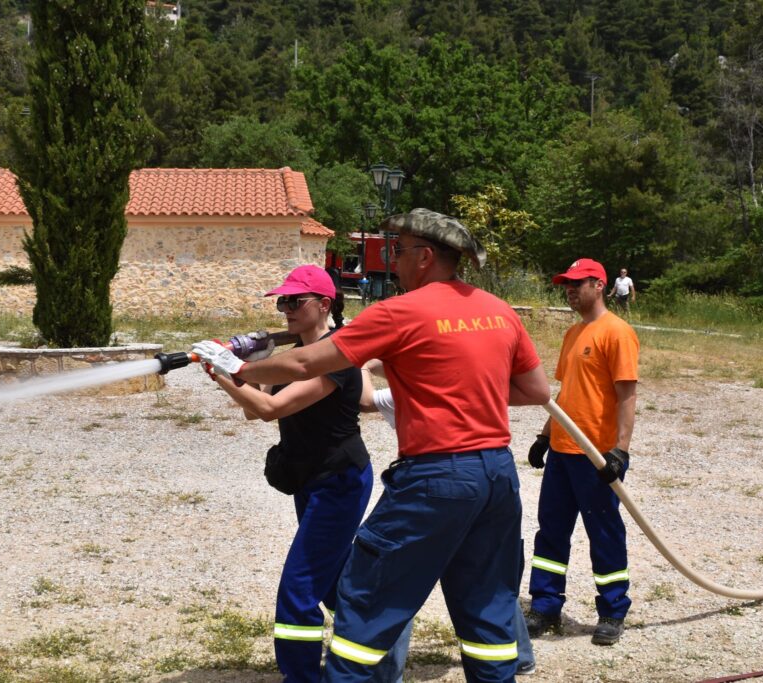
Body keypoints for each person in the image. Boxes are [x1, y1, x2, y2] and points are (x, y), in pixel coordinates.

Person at [194, 208, 551, 682]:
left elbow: (306, 366)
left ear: (425, 257)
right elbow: (536, 391)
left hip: (435, 478)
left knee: (365, 600)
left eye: (398, 251)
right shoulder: (498, 310)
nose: (393, 261)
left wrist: (236, 368)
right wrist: (453, 392)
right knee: (487, 608)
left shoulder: (401, 311)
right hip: (496, 476)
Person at [201, 264, 373, 682]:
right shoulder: (293, 356)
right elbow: (251, 408)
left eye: (296, 301)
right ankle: (381, 637)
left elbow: (270, 411)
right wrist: (253, 364)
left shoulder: (336, 358)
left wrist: (223, 369)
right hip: (308, 478)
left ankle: (300, 675)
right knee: (332, 583)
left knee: (299, 588)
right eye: (283, 301)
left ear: (324, 304)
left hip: (340, 480)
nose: (286, 309)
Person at [359, 361, 537, 677]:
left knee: (397, 580)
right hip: (489, 482)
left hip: (430, 491)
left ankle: (385, 674)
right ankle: (519, 655)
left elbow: (365, 400)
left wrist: (364, 364)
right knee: (489, 579)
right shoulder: (471, 391)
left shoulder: (401, 397)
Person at [525, 258, 639, 647]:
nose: (571, 290)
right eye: (566, 284)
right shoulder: (574, 333)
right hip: (562, 451)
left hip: (597, 456)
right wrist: (544, 435)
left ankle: (611, 611)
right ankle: (544, 605)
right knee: (551, 532)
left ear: (600, 285)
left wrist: (620, 451)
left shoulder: (617, 332)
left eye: (578, 283)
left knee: (603, 533)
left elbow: (627, 395)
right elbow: (566, 393)